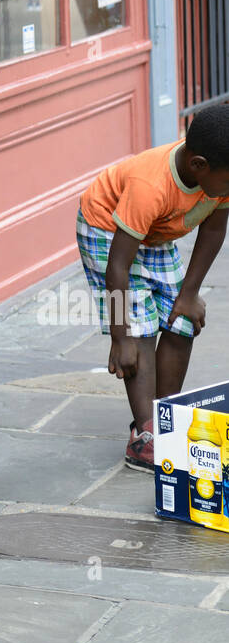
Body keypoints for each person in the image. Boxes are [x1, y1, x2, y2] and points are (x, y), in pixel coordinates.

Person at [77, 105, 229, 471]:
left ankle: (167, 418)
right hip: (107, 231)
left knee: (183, 320)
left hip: (156, 234)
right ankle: (145, 433)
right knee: (139, 328)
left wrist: (189, 294)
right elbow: (118, 266)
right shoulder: (151, 185)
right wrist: (120, 337)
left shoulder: (218, 176)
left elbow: (213, 229)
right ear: (198, 166)